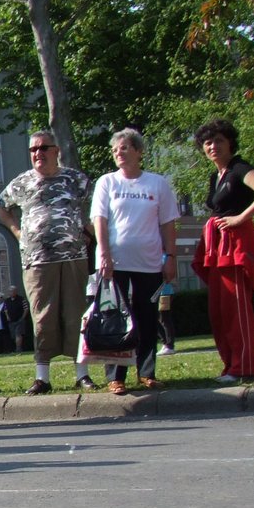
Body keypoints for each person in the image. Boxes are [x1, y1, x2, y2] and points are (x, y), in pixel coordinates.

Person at [0, 132, 97, 395]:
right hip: (37, 260)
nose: (37, 154)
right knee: (42, 318)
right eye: (33, 150)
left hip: (74, 258)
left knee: (75, 315)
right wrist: (17, 232)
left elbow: (97, 206)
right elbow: (1, 206)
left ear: (56, 151)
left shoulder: (75, 179)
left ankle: (82, 374)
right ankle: (42, 377)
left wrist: (89, 232)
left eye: (43, 148)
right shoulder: (22, 182)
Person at [91, 128, 179, 393]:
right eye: (115, 149)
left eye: (125, 147)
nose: (119, 152)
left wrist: (170, 257)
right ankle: (115, 376)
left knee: (147, 317)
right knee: (114, 318)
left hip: (149, 263)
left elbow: (167, 223)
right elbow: (99, 220)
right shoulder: (107, 182)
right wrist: (104, 254)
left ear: (139, 151)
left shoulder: (157, 184)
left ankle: (146, 372)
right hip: (114, 263)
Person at [192, 118, 254, 383]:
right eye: (208, 143)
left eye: (219, 141)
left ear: (230, 143)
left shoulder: (239, 168)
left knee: (236, 308)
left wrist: (241, 217)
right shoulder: (216, 176)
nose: (213, 146)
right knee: (219, 309)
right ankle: (231, 365)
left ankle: (245, 368)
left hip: (236, 244)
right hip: (217, 245)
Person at [5, 284, 30, 352]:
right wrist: (7, 316)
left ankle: (18, 349)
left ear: (16, 291)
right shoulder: (7, 300)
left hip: (19, 320)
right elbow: (5, 309)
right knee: (14, 336)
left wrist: (23, 317)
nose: (11, 292)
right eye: (10, 291)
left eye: (13, 291)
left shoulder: (21, 299)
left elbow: (26, 309)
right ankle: (17, 347)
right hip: (11, 321)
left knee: (18, 334)